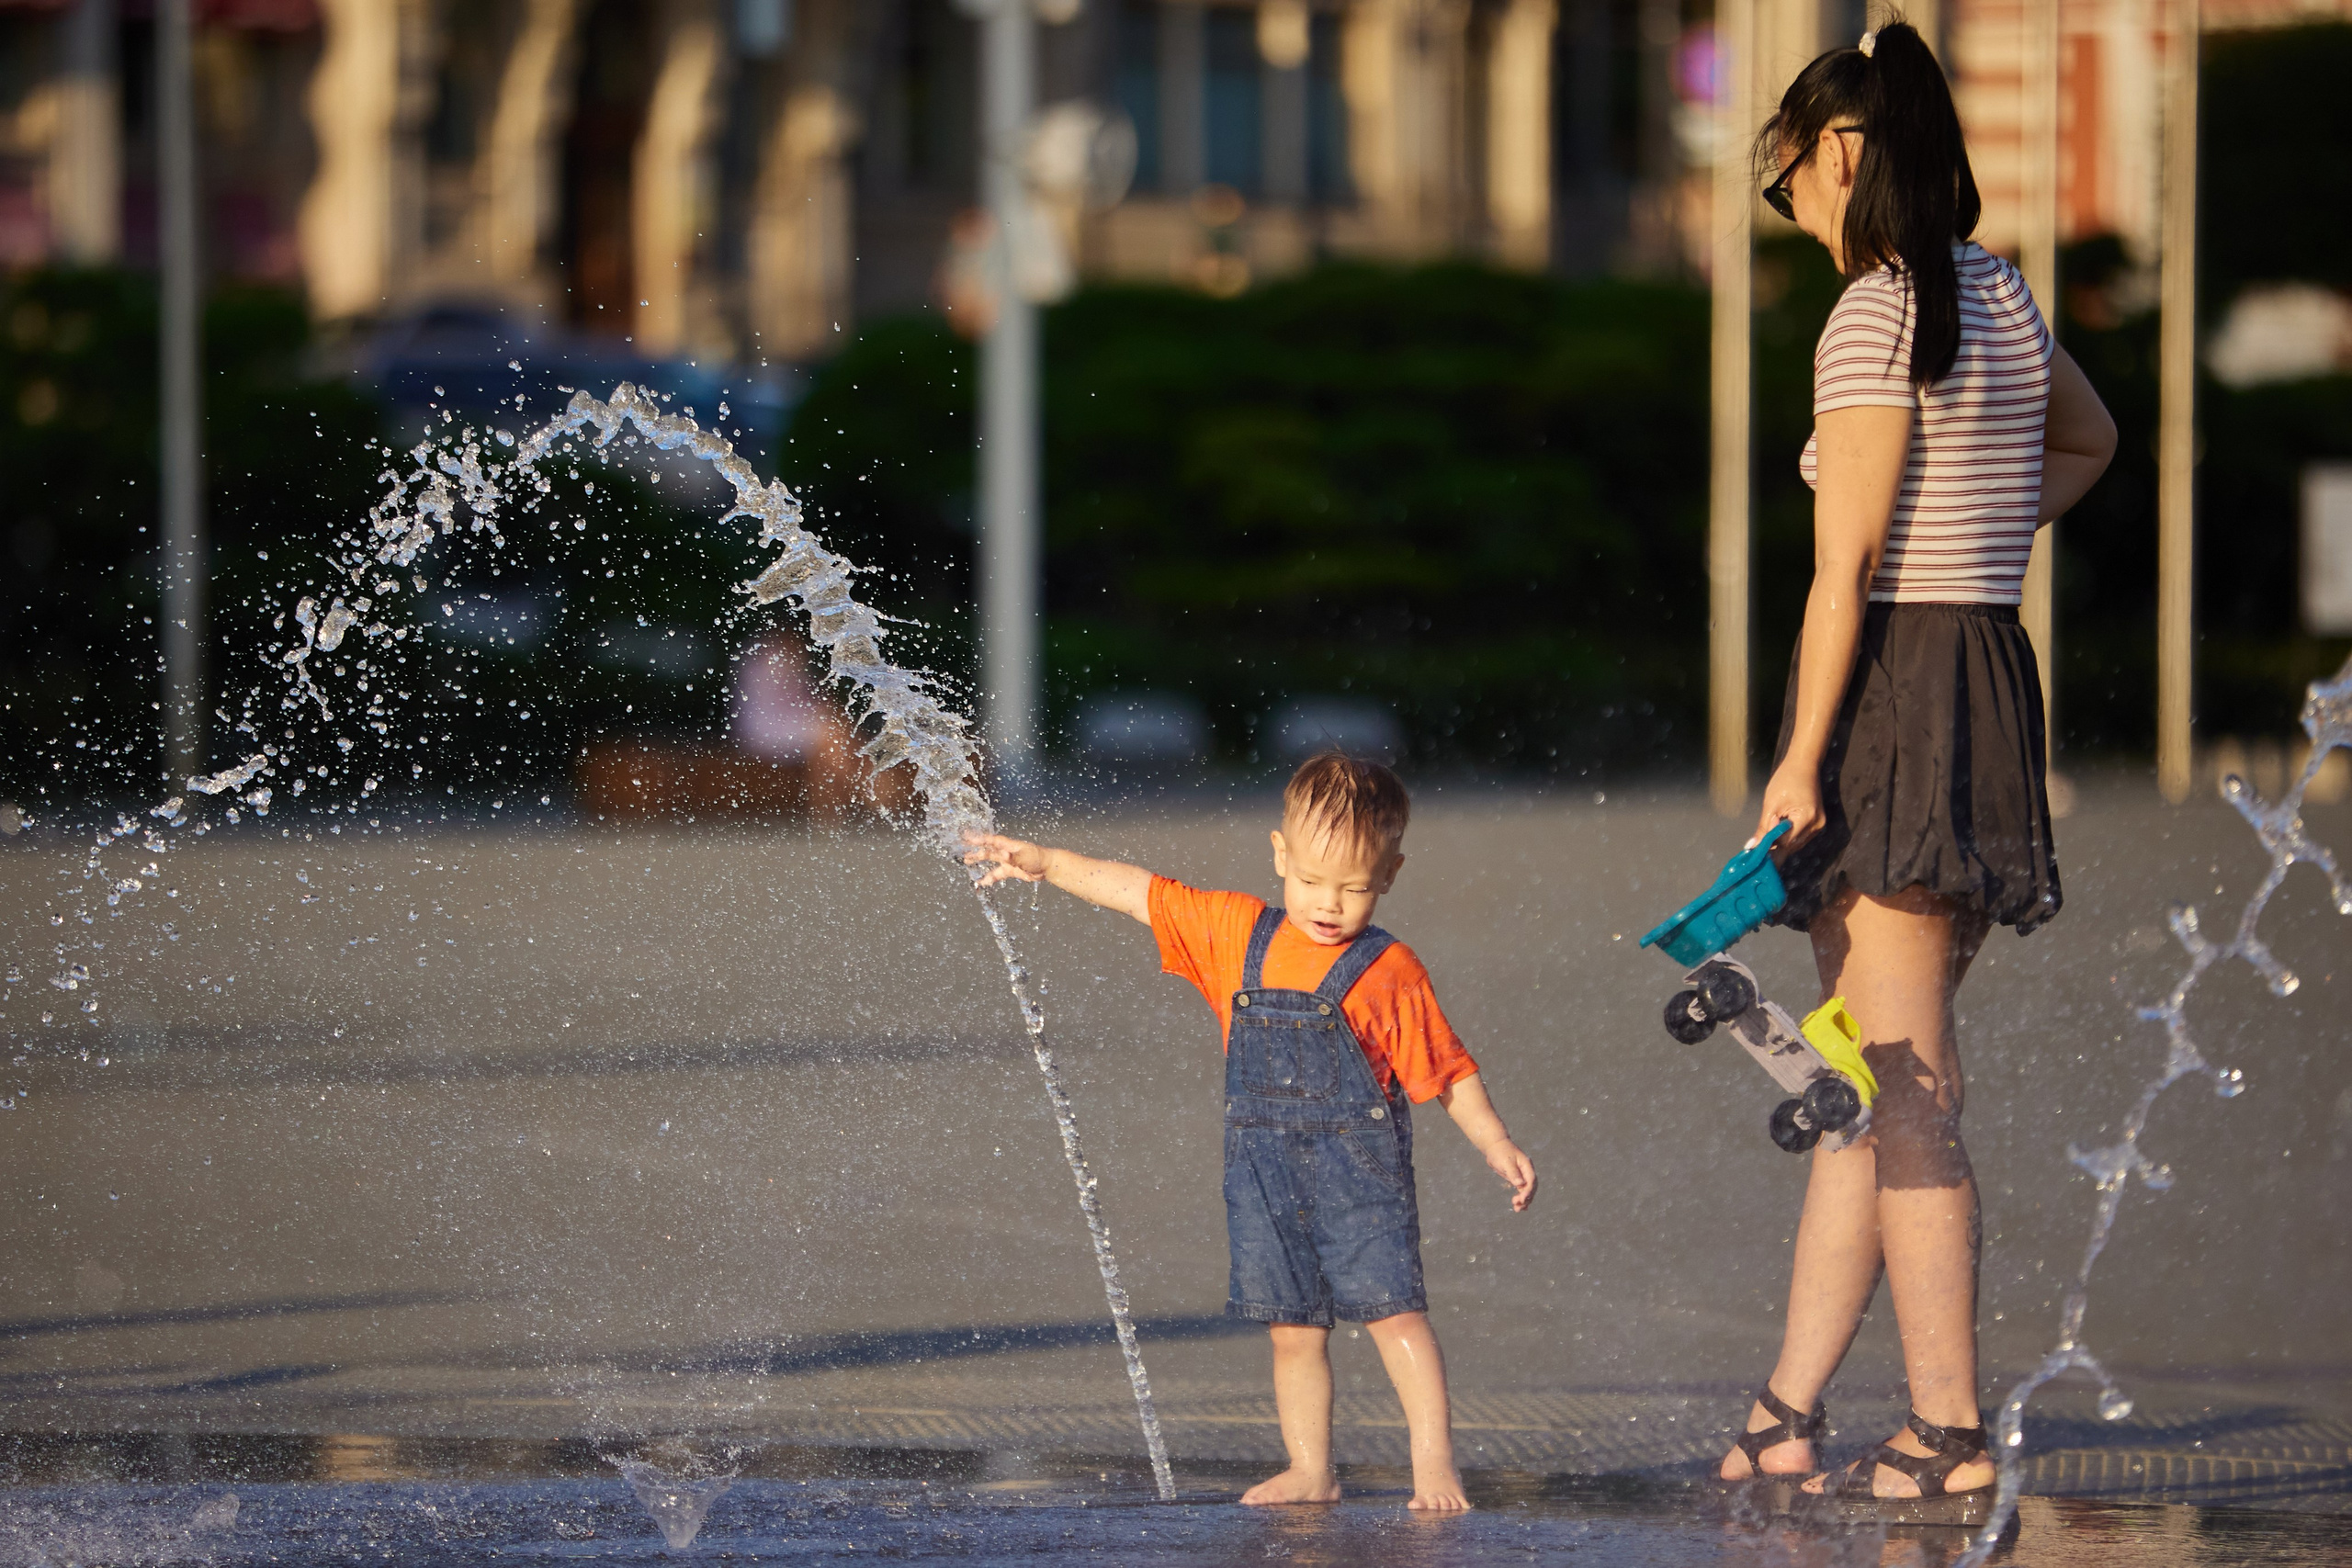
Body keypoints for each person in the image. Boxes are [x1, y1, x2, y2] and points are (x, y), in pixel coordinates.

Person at [1716, 19, 2117, 1517]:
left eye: (1791, 190)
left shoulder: (1876, 316)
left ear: (1840, 155)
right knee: (1859, 1076)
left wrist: (1797, 764)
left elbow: (1844, 574)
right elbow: (2089, 439)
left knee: (1904, 1090)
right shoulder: (1999, 298)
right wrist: (1988, 536)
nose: (1799, 220)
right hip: (1979, 673)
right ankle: (1785, 1409)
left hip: (1895, 685)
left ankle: (1948, 1428)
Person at [963, 753, 1537, 1511]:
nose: (1329, 904)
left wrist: (1494, 1139)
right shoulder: (1235, 930)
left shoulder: (1389, 967)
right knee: (1292, 1330)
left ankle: (1433, 1465)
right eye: (1310, 882)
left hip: (1357, 1177)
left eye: (1354, 887)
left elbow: (1448, 1068)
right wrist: (1049, 862)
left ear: (1391, 872)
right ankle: (1311, 1466)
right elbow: (1139, 892)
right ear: (1279, 856)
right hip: (1263, 1175)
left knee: (1396, 1314)